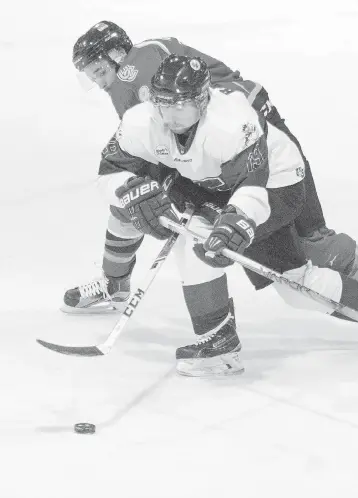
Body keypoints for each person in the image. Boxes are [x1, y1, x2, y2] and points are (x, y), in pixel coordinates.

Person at [85, 54, 358, 376]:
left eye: (180, 107)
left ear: (202, 100)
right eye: (162, 105)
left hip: (278, 183)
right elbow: (108, 171)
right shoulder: (139, 122)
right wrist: (128, 189)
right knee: (203, 242)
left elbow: (253, 187)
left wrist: (238, 220)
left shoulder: (233, 122)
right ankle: (217, 342)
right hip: (211, 184)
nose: (170, 117)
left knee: (298, 275)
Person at [64, 20, 332, 315]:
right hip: (228, 143)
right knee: (134, 198)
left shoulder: (132, 74)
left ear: (117, 54)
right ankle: (114, 281)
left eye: (100, 72)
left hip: (253, 138)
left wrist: (173, 185)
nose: (101, 84)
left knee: (310, 238)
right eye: (92, 77)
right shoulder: (143, 58)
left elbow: (170, 133)